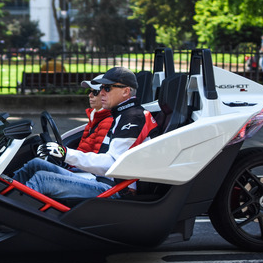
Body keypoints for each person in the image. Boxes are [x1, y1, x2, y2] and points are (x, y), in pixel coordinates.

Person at [12, 67, 159, 200]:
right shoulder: (124, 114)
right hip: (103, 181)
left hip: (115, 189)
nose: (101, 93)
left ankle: (11, 218)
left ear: (126, 91)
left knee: (42, 179)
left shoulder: (133, 117)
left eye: (107, 88)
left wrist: (66, 154)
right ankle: (4, 200)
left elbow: (112, 165)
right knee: (36, 164)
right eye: (101, 88)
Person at [76, 76, 112, 154]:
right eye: (90, 91)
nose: (90, 95)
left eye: (95, 92)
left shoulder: (107, 122)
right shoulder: (94, 117)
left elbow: (98, 157)